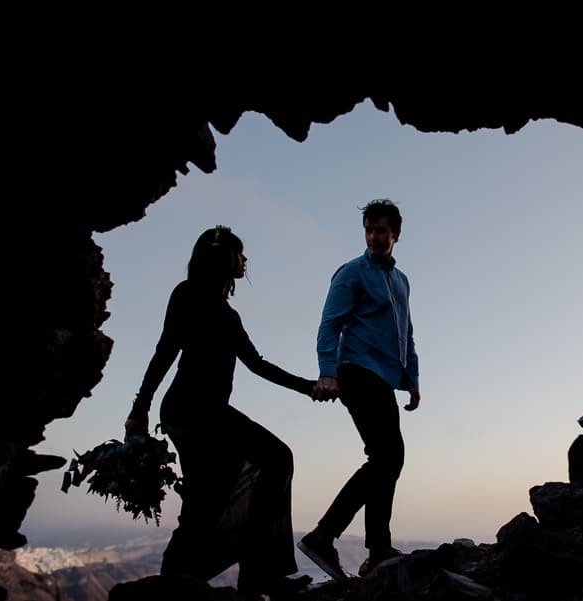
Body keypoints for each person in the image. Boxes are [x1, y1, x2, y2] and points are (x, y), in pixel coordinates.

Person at [124, 225, 314, 599]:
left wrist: (309, 388)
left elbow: (257, 365)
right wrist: (138, 409)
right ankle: (254, 577)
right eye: (240, 253)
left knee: (205, 502)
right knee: (274, 460)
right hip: (196, 414)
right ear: (225, 257)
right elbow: (165, 352)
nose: (245, 261)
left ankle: (182, 582)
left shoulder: (227, 314)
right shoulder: (188, 295)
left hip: (197, 414)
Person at [299, 199, 421, 580]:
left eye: (381, 230)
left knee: (387, 458)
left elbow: (407, 332)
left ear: (395, 234)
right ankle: (333, 537)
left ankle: (370, 546)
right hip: (355, 369)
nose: (373, 236)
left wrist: (412, 379)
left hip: (384, 377)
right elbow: (328, 324)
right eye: (369, 229)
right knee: (388, 456)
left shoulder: (402, 282)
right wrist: (327, 371)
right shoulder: (351, 273)